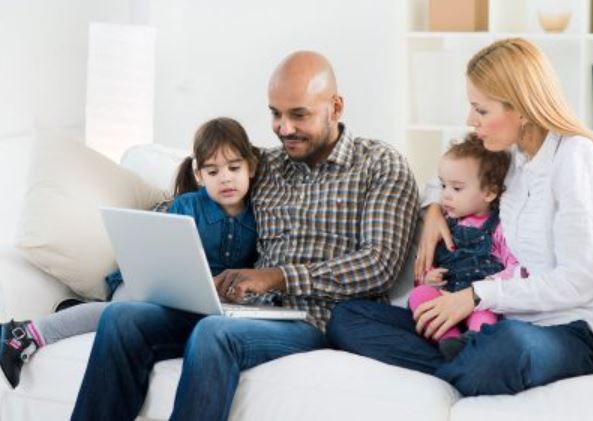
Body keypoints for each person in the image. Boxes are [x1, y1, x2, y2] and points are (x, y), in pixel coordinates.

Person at [70, 51, 420, 421]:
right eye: (275, 113)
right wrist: (167, 228)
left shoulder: (380, 165)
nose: (284, 128)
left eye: (298, 114)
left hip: (317, 319)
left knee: (213, 334)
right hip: (244, 309)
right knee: (122, 320)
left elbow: (380, 264)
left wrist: (277, 277)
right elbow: (208, 181)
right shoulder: (265, 165)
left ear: (335, 107)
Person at [327, 38, 593, 396]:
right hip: (502, 320)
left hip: (572, 329)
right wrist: (433, 210)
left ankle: (465, 364)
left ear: (522, 109)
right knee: (348, 317)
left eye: (481, 110)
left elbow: (580, 281)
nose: (472, 120)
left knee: (510, 346)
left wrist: (474, 296)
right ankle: (468, 363)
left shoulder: (576, 157)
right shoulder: (512, 157)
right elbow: (444, 180)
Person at [0, 116, 260, 389]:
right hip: (146, 286)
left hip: (197, 305)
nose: (226, 178)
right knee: (128, 312)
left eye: (234, 167)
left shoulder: (259, 217)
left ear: (250, 166)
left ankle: (81, 312)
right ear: (199, 175)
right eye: (213, 171)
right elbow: (156, 259)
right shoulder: (188, 206)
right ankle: (22, 334)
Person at [408, 132, 517, 361]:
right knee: (417, 296)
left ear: (489, 192)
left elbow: (514, 267)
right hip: (446, 294)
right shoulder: (442, 225)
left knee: (485, 313)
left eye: (457, 189)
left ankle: (476, 342)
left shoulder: (499, 226)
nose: (445, 195)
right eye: (443, 185)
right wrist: (428, 279)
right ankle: (450, 340)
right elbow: (427, 266)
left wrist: (487, 287)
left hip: (479, 299)